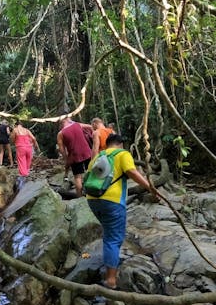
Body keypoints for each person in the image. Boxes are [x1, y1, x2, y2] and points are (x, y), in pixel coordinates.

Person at [86, 133, 156, 290]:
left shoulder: (99, 156)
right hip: (112, 202)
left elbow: (89, 175)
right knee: (113, 239)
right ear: (121, 144)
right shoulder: (122, 154)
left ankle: (109, 263)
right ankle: (111, 280)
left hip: (92, 199)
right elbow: (132, 172)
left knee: (109, 233)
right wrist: (150, 188)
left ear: (107, 144)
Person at [57, 117, 93, 197]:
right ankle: (94, 192)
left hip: (74, 156)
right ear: (66, 120)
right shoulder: (77, 125)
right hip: (87, 152)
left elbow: (62, 149)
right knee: (91, 172)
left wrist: (66, 159)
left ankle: (80, 197)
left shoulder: (60, 134)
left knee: (77, 177)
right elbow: (90, 126)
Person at [10, 121, 40, 189]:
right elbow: (34, 138)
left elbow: (12, 139)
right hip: (29, 148)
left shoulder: (15, 130)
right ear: (22, 125)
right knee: (27, 163)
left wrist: (14, 142)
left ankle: (23, 180)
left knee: (21, 162)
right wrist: (36, 147)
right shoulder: (27, 130)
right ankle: (27, 176)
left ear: (16, 125)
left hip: (21, 148)